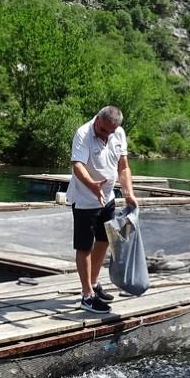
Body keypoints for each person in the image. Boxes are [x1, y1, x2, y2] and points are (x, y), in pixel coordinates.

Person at [67, 105, 139, 312]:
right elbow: (77, 165)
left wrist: (128, 193)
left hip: (107, 198)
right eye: (103, 130)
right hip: (84, 200)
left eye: (111, 131)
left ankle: (95, 282)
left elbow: (123, 166)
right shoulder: (83, 134)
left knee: (104, 239)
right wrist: (92, 185)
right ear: (97, 120)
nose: (106, 135)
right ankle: (86, 295)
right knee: (84, 245)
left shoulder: (118, 133)